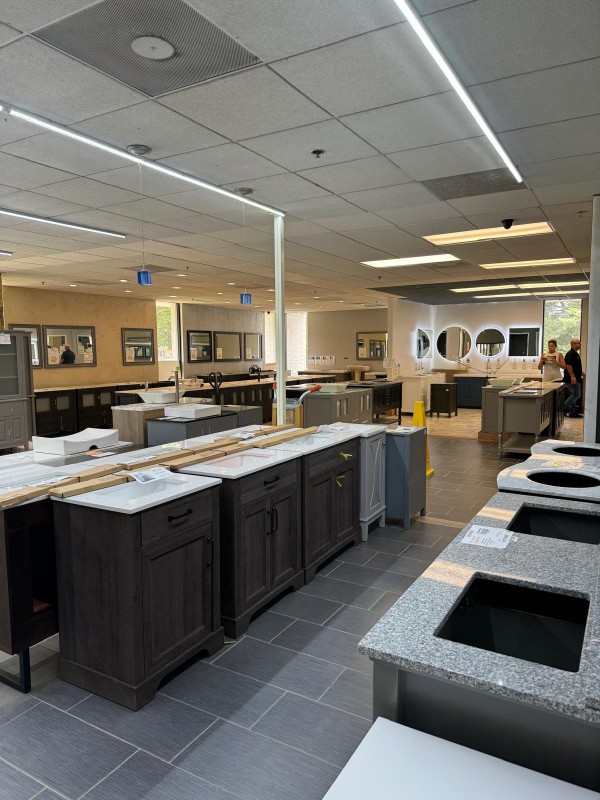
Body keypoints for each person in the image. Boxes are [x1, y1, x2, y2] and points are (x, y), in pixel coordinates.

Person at [563, 337, 584, 417]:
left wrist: (581, 373)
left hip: (575, 377)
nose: (580, 344)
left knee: (573, 395)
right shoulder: (570, 353)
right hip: (571, 379)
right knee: (576, 395)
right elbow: (568, 366)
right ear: (573, 344)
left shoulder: (575, 353)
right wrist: (572, 376)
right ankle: (563, 407)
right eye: (578, 343)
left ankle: (573, 412)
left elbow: (576, 366)